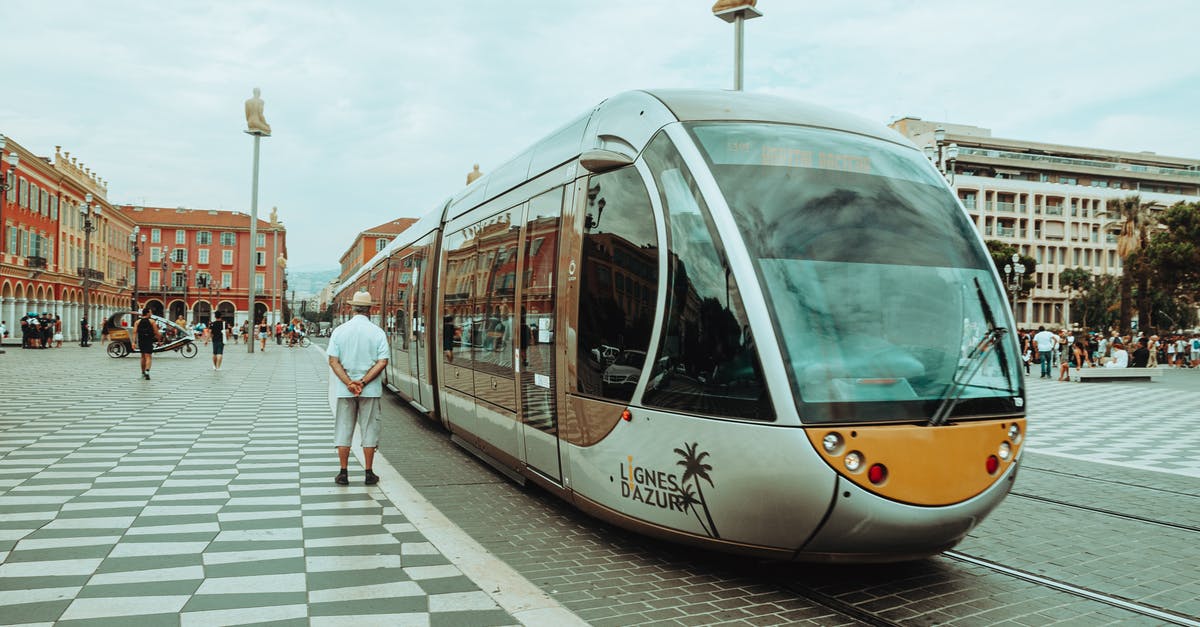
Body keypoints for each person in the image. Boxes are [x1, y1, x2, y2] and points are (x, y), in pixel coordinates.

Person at [327, 291, 389, 486]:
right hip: (369, 391)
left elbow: (333, 361)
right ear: (370, 309)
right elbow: (382, 362)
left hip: (346, 390)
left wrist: (349, 383)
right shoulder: (377, 332)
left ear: (352, 308)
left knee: (344, 428)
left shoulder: (339, 331)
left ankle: (343, 473)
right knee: (370, 428)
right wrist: (362, 382)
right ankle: (369, 473)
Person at [135, 308, 162, 380]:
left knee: (143, 356)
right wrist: (160, 339)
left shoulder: (137, 322)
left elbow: (135, 332)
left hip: (141, 340)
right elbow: (156, 332)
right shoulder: (152, 321)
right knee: (148, 357)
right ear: (147, 313)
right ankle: (147, 371)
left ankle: (143, 373)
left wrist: (133, 342)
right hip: (149, 340)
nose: (151, 313)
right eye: (150, 312)